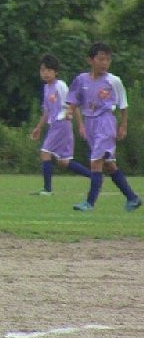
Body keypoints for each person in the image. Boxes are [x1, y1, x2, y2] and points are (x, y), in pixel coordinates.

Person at [67, 43, 141, 212]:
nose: (104, 63)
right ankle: (132, 198)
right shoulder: (81, 79)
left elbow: (123, 105)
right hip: (90, 123)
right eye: (101, 59)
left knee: (95, 162)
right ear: (90, 60)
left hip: (105, 122)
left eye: (107, 60)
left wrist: (123, 125)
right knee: (109, 165)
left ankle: (89, 203)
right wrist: (70, 111)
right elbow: (74, 99)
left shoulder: (113, 81)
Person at [29, 53, 90, 196]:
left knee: (45, 152)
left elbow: (73, 104)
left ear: (56, 72)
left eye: (49, 70)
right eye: (43, 70)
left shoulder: (60, 86)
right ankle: (95, 177)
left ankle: (47, 190)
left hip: (61, 123)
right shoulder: (46, 88)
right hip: (56, 125)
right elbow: (46, 111)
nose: (45, 73)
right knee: (64, 162)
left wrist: (80, 125)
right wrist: (38, 128)